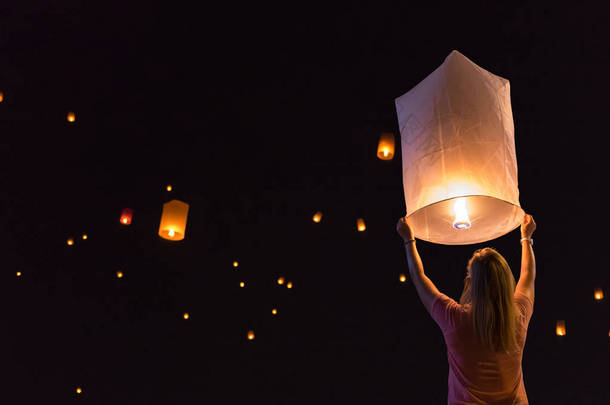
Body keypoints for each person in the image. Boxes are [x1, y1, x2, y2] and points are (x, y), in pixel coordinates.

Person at [396, 213, 536, 404]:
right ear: (505, 281)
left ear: (471, 283)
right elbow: (528, 275)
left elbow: (418, 276)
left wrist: (408, 240)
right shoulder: (519, 316)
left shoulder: (455, 319)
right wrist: (526, 238)